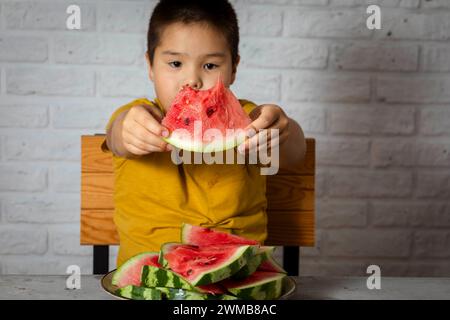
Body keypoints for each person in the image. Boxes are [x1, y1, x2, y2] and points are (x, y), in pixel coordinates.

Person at [102, 0, 307, 267]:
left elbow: (295, 151)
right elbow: (117, 136)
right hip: (149, 276)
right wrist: (125, 132)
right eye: (175, 63)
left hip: (237, 274)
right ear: (150, 66)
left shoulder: (248, 120)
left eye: (210, 65)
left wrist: (282, 131)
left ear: (233, 68)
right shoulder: (139, 118)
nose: (192, 80)